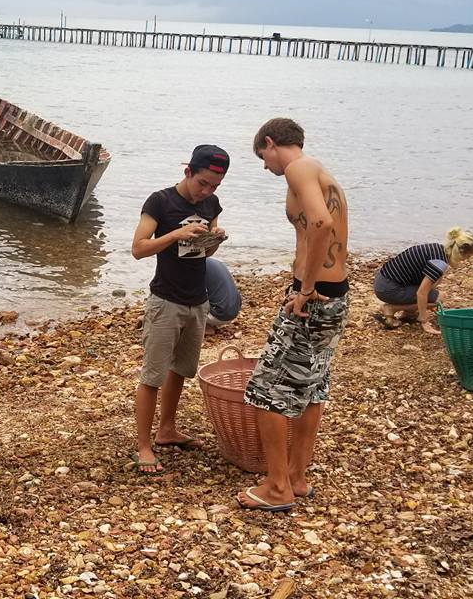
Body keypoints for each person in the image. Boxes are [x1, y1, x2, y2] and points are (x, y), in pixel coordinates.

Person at [240, 118, 350, 512]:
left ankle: (277, 487)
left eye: (262, 157)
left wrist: (304, 290)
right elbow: (319, 225)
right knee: (311, 387)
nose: (265, 167)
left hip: (314, 298)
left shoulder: (299, 168)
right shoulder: (321, 171)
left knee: (264, 392)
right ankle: (297, 478)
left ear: (271, 143)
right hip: (334, 296)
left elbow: (321, 223)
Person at [130, 144, 230, 474]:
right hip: (166, 300)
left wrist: (214, 240)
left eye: (214, 186)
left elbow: (205, 255)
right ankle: (144, 446)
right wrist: (176, 233)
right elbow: (138, 249)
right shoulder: (160, 201)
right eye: (202, 183)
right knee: (153, 375)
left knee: (181, 370)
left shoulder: (211, 203)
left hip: (197, 300)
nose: (207, 192)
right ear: (188, 171)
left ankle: (167, 429)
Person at [373, 228, 473, 333]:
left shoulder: (437, 249)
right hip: (388, 289)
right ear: (460, 252)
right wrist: (424, 320)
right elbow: (421, 293)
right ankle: (391, 308)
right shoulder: (439, 263)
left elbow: (429, 283)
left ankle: (408, 312)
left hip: (383, 280)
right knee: (439, 298)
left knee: (435, 284)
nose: (466, 259)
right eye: (468, 256)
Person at [202, 257, 243, 335]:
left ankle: (203, 327)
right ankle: (207, 323)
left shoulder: (197, 266)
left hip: (219, 315)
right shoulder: (216, 262)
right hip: (234, 312)